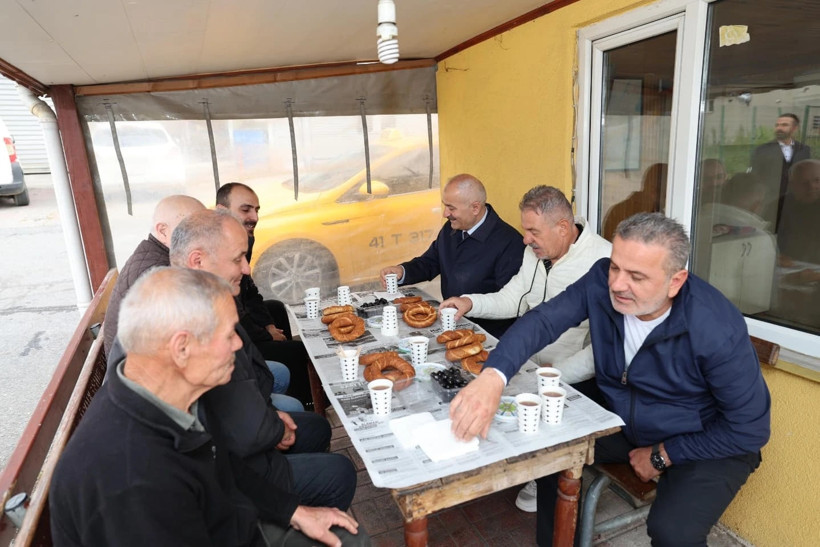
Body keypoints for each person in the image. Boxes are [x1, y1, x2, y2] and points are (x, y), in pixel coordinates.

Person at [449, 212, 771, 546]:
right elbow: (543, 322)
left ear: (675, 282)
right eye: (616, 267)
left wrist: (664, 454)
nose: (617, 284)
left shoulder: (715, 326)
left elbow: (749, 429)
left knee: (673, 532)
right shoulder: (600, 280)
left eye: (636, 276)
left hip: (705, 438)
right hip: (627, 412)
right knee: (550, 452)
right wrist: (493, 377)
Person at [50, 267, 367, 546]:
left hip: (232, 525)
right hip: (223, 531)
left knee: (346, 535)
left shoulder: (172, 396)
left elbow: (225, 465)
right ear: (182, 348)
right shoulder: (132, 482)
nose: (240, 344)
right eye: (229, 333)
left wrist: (293, 512)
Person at [169, 209, 358, 515]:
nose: (245, 269)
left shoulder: (203, 299)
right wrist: (272, 429)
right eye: (237, 259)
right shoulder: (190, 325)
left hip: (237, 448)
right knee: (339, 473)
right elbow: (233, 425)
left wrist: (270, 415)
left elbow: (245, 389)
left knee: (316, 427)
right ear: (197, 260)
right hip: (231, 474)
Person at [440, 185, 611, 512]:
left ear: (562, 227)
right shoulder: (536, 252)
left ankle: (546, 474)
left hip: (575, 380)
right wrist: (468, 302)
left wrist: (552, 377)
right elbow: (513, 297)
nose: (524, 239)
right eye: (524, 230)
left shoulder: (602, 260)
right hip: (532, 368)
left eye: (532, 231)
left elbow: (601, 350)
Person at [380, 173, 524, 337]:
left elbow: (507, 302)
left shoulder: (510, 243)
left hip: (487, 335)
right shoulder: (451, 228)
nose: (445, 213)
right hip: (451, 323)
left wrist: (469, 305)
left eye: (451, 208)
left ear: (475, 208)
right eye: (445, 206)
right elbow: (430, 262)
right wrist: (402, 271)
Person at [217, 182, 314, 407]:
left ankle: (294, 391)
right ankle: (303, 403)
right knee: (296, 350)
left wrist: (269, 325)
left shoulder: (245, 236)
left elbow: (249, 292)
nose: (254, 217)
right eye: (245, 209)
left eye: (257, 210)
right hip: (231, 333)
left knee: (275, 308)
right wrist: (266, 335)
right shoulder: (217, 245)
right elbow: (234, 311)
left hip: (241, 318)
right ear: (222, 210)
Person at [103, 194, 204, 355]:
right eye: (193, 228)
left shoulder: (157, 255)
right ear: (163, 231)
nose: (203, 236)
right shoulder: (158, 272)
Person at [750, 113, 811, 229]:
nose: (779, 128)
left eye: (784, 125)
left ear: (794, 128)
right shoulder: (762, 150)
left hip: (796, 203)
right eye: (777, 125)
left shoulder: (804, 150)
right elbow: (755, 177)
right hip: (771, 204)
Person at [602, 163, 667, 241]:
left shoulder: (651, 210)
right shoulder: (631, 214)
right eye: (665, 195)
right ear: (654, 191)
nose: (666, 202)